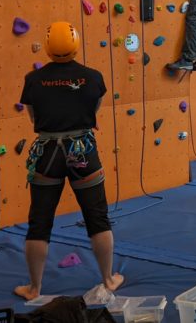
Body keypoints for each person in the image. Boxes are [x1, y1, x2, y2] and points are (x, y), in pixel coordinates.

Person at [15, 22, 122, 300]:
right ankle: (108, 279)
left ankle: (34, 288)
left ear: (48, 47)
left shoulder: (33, 80)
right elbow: (93, 110)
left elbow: (33, 118)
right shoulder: (93, 77)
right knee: (97, 216)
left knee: (40, 220)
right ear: (76, 43)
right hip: (82, 150)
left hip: (47, 152)